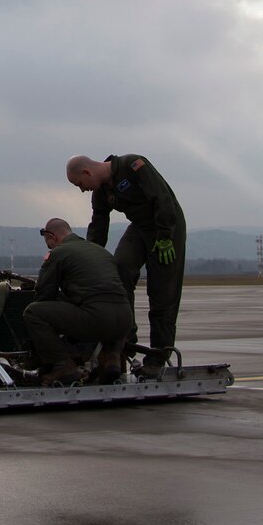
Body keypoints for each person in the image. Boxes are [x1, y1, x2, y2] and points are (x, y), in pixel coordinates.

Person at [67, 153, 186, 372]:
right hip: (140, 228)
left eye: (80, 184)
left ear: (87, 172)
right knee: (119, 268)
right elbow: (98, 228)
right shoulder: (101, 193)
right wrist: (88, 258)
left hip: (167, 227)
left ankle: (158, 358)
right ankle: (124, 338)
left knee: (162, 296)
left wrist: (165, 236)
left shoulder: (133, 165)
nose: (83, 189)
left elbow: (162, 198)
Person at [22, 218, 133, 386]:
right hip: (125, 320)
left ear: (51, 236)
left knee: (33, 312)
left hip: (98, 318)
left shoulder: (58, 253)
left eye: (48, 242)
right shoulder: (101, 252)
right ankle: (111, 359)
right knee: (105, 314)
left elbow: (45, 294)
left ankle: (63, 365)